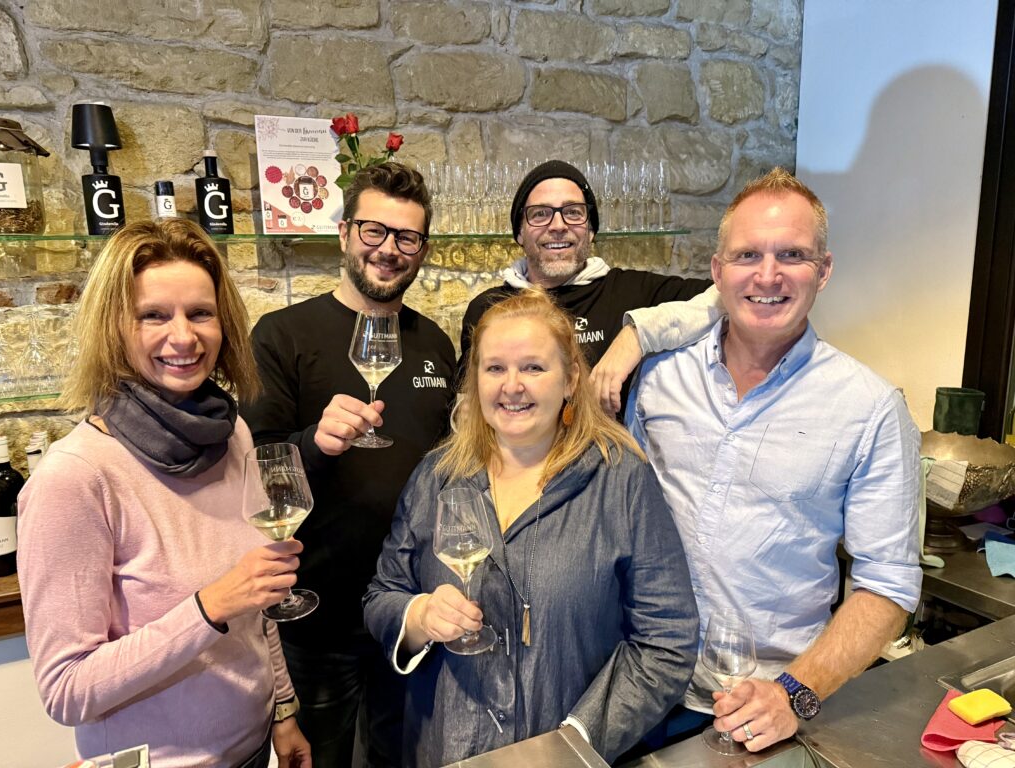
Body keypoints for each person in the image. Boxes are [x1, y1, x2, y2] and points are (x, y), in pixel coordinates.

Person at [626, 168, 922, 751]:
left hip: (767, 708)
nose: (767, 275)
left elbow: (887, 585)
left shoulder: (871, 409)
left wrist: (794, 692)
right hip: (640, 685)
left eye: (792, 254)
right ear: (717, 272)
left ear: (824, 270)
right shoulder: (658, 379)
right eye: (748, 255)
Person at [17, 219, 311, 768]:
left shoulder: (233, 433)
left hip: (251, 749)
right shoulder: (75, 477)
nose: (183, 337)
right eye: (153, 315)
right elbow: (67, 689)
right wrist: (209, 607)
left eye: (200, 313)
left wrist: (283, 710)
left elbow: (257, 601)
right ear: (113, 328)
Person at [364, 289, 699, 767]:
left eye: (534, 368)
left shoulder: (621, 479)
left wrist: (573, 744)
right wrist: (418, 616)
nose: (512, 386)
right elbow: (383, 594)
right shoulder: (437, 475)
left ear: (571, 379)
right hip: (447, 751)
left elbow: (666, 642)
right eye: (494, 368)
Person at [240, 162, 455, 767]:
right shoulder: (282, 336)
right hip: (317, 619)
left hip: (409, 611)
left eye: (406, 237)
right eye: (374, 230)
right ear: (343, 234)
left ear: (422, 250)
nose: (389, 249)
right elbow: (251, 475)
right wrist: (315, 442)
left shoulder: (435, 344)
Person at [458, 159, 720, 416]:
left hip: (610, 446)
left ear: (591, 230)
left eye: (573, 212)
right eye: (540, 214)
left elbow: (726, 295)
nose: (558, 226)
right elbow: (464, 410)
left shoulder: (633, 292)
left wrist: (637, 334)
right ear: (519, 233)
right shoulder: (488, 308)